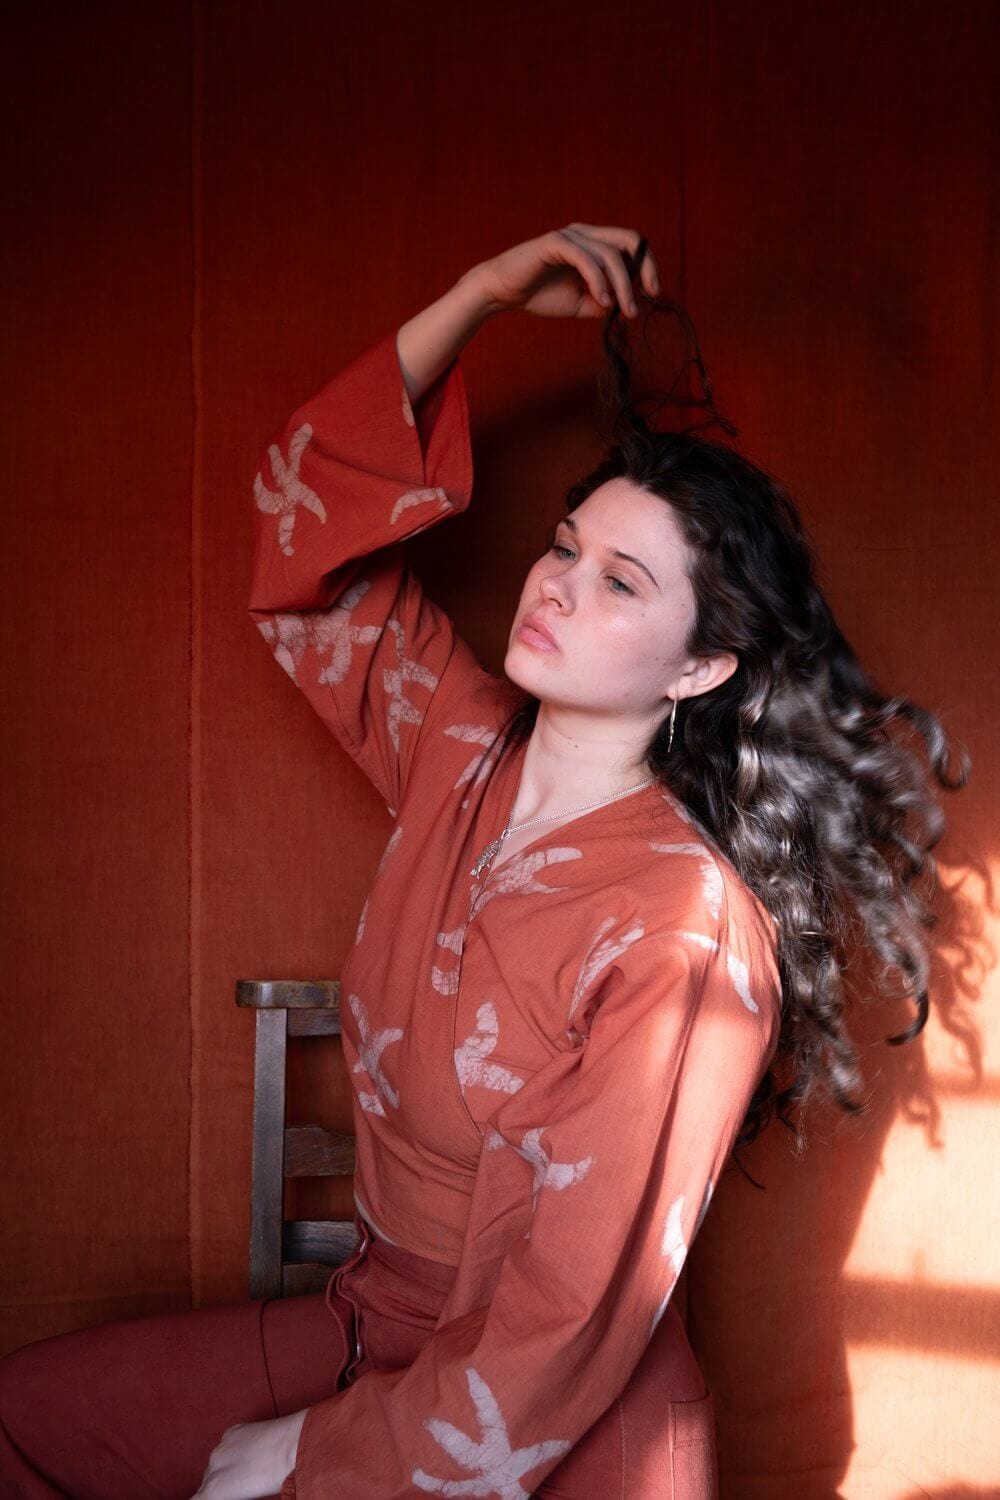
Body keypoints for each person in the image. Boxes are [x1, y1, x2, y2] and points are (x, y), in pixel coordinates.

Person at [0, 225, 967, 1500]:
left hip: (560, 1417)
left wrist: (319, 1452)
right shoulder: (456, 742)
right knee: (24, 1423)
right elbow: (300, 546)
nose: (556, 586)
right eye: (564, 547)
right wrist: (476, 298)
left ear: (699, 668)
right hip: (374, 1322)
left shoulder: (682, 929)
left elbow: (568, 1320)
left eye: (619, 583)